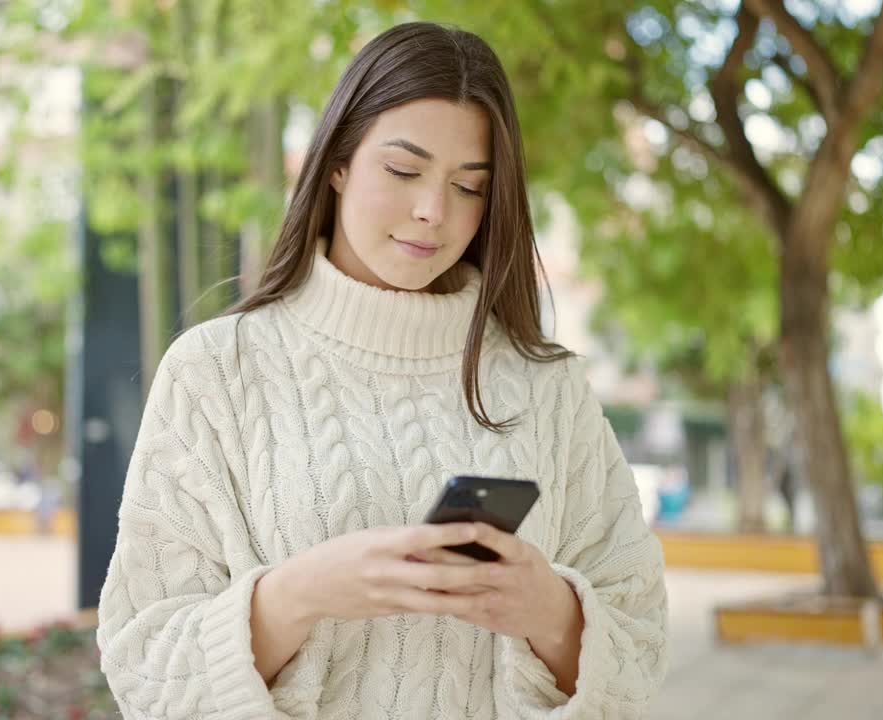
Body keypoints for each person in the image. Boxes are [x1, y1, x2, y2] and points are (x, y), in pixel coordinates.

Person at [96, 21, 668, 719]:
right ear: (336, 161)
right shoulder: (215, 372)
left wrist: (552, 613)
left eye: (469, 186)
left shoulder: (547, 386)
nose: (434, 211)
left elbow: (640, 645)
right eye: (403, 170)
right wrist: (297, 595)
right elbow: (143, 658)